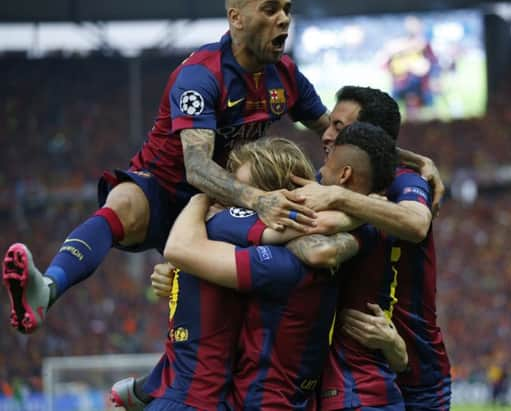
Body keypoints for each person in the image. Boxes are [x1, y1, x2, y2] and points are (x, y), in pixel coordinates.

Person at [2, 0, 329, 335]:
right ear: (236, 18)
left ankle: (151, 387)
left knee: (224, 289)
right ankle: (46, 290)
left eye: (287, 9)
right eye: (270, 10)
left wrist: (375, 165)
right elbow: (198, 168)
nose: (283, 19)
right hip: (164, 189)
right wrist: (259, 200)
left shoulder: (285, 75)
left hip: (220, 203)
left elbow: (331, 130)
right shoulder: (201, 76)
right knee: (123, 204)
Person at [118, 124, 403, 410]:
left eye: (242, 191)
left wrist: (201, 197)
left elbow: (179, 249)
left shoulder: (266, 252)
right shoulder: (362, 234)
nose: (234, 197)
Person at [292, 86, 452, 410]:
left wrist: (342, 199)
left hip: (418, 368)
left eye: (339, 127)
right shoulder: (327, 180)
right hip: (359, 369)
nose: (326, 134)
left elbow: (416, 223)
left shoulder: (406, 181)